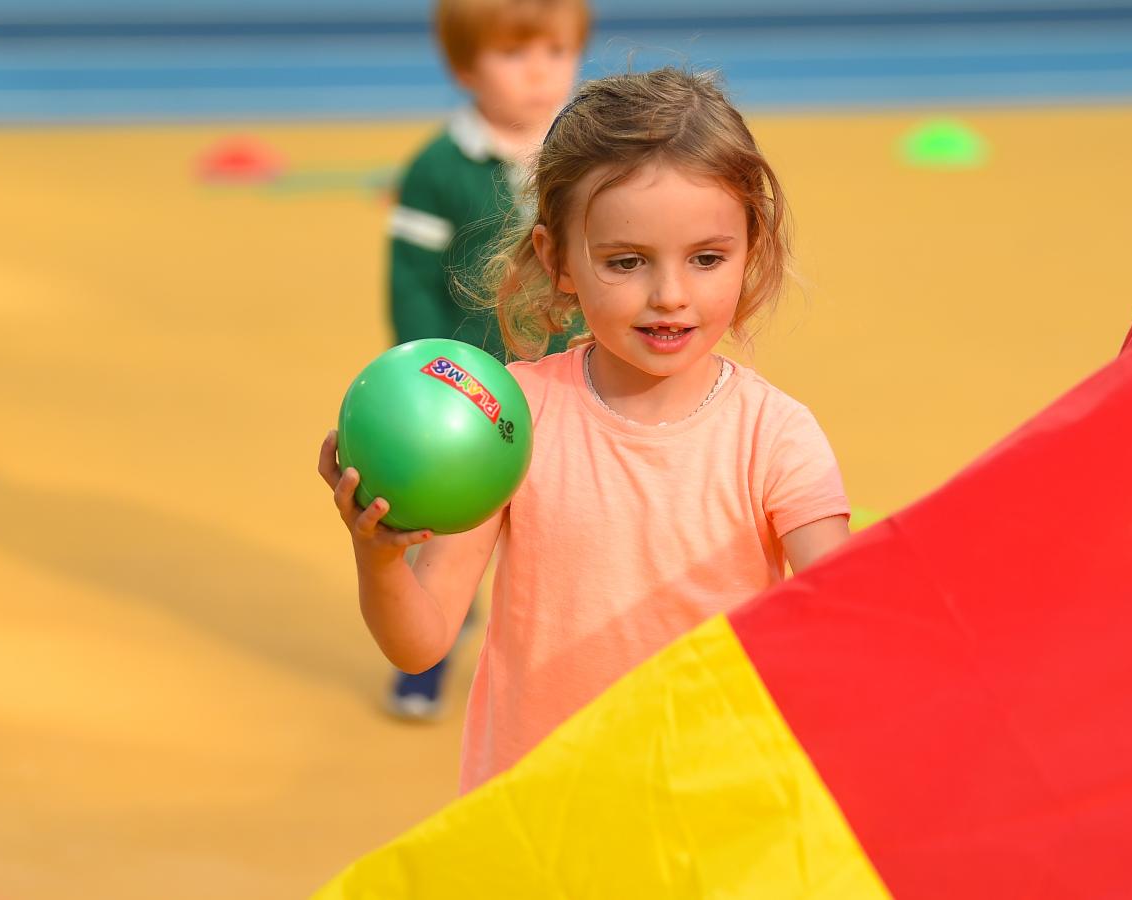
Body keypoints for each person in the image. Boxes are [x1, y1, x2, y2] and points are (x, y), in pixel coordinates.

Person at [321, 67, 851, 791]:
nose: (670, 295)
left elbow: (846, 628)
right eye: (626, 262)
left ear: (750, 247)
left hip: (712, 816)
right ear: (557, 259)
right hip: (540, 823)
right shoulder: (512, 423)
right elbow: (420, 644)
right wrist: (378, 556)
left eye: (706, 258)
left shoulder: (777, 438)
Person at [382, 0, 588, 719]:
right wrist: (423, 370)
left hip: (567, 393)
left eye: (557, 53)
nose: (540, 72)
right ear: (465, 66)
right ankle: (427, 655)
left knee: (567, 537)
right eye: (513, 54)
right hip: (468, 398)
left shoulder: (584, 162)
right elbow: (411, 278)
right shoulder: (438, 167)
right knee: (449, 541)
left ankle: (567, 670)